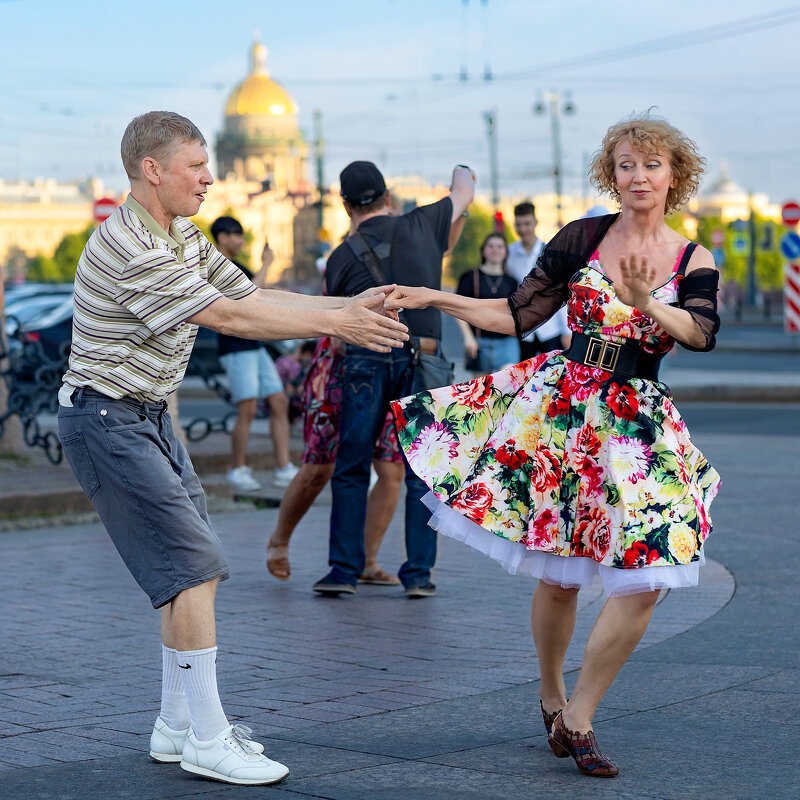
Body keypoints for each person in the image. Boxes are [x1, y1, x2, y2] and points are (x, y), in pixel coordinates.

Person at [56, 111, 408, 787]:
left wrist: (342, 307)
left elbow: (250, 292)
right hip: (105, 422)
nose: (209, 178)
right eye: (195, 166)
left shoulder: (183, 235)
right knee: (192, 568)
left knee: (187, 573)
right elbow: (231, 317)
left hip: (145, 416)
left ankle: (175, 725)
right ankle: (209, 738)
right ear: (152, 170)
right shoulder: (130, 246)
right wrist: (344, 325)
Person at [386, 114, 721, 777]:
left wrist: (645, 304)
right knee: (560, 572)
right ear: (612, 174)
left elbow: (702, 333)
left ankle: (581, 714)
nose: (639, 176)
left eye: (652, 165)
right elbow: (516, 314)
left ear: (674, 176)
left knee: (649, 577)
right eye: (626, 164)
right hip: (564, 411)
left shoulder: (693, 258)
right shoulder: (581, 238)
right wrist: (434, 296)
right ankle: (551, 693)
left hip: (635, 426)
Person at [312, 160, 474, 598]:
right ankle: (418, 574)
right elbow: (463, 191)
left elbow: (336, 328)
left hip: (366, 359)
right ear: (388, 196)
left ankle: (343, 572)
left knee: (351, 466)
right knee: (422, 470)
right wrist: (462, 171)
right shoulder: (423, 222)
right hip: (422, 360)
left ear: (345, 206)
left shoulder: (340, 256)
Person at [266, 333, 404, 585]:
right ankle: (280, 539)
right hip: (339, 361)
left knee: (391, 468)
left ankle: (367, 562)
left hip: (395, 360)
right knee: (319, 468)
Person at [210, 216, 298, 490]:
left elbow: (260, 291)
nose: (241, 240)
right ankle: (237, 469)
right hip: (235, 346)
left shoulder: (238, 266)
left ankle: (283, 467)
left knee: (279, 401)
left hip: (254, 344)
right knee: (247, 408)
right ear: (222, 237)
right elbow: (250, 294)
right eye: (236, 235)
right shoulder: (217, 266)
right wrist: (268, 264)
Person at [506, 202, 570, 359]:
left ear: (535, 222)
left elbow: (560, 293)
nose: (522, 229)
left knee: (551, 377)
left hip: (550, 329)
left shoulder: (550, 252)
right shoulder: (509, 253)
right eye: (518, 224)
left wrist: (566, 331)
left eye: (527, 224)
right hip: (523, 329)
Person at [455, 232, 520, 375]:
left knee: (508, 386)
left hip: (506, 342)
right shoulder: (470, 277)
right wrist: (468, 338)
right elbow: (458, 309)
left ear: (505, 252)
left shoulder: (512, 282)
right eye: (490, 246)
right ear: (484, 250)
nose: (495, 250)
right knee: (481, 392)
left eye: (499, 246)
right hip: (479, 342)